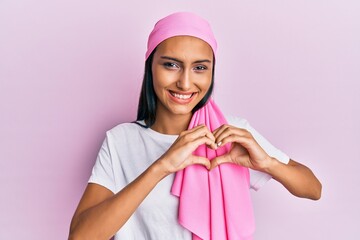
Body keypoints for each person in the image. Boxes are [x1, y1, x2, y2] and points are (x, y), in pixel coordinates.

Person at [69, 12, 321, 240]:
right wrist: (161, 167)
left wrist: (267, 163)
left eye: (200, 68)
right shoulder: (121, 141)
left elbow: (313, 189)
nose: (185, 82)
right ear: (151, 67)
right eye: (171, 65)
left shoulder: (229, 132)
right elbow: (81, 236)